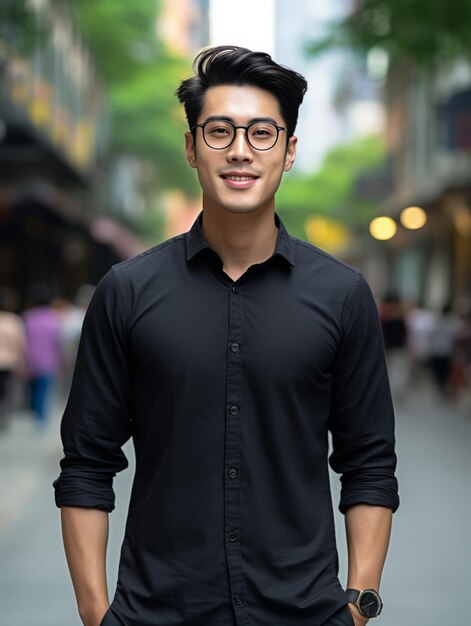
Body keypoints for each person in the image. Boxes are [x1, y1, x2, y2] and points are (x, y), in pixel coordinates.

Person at [54, 46, 399, 626]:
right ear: (191, 147)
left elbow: (368, 464)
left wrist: (358, 606)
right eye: (219, 131)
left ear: (289, 152)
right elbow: (87, 464)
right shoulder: (127, 292)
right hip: (158, 612)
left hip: (305, 614)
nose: (240, 150)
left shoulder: (342, 296)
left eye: (263, 133)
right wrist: (96, 615)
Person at [23, 283, 62, 427]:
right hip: (49, 360)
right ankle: (40, 417)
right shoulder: (54, 318)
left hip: (30, 360)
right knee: (44, 391)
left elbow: (23, 341)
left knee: (34, 390)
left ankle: (37, 415)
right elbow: (58, 342)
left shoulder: (28, 317)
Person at [0, 288, 27, 430]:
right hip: (9, 362)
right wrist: (22, 362)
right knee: (7, 392)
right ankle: (4, 417)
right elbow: (20, 344)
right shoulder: (14, 321)